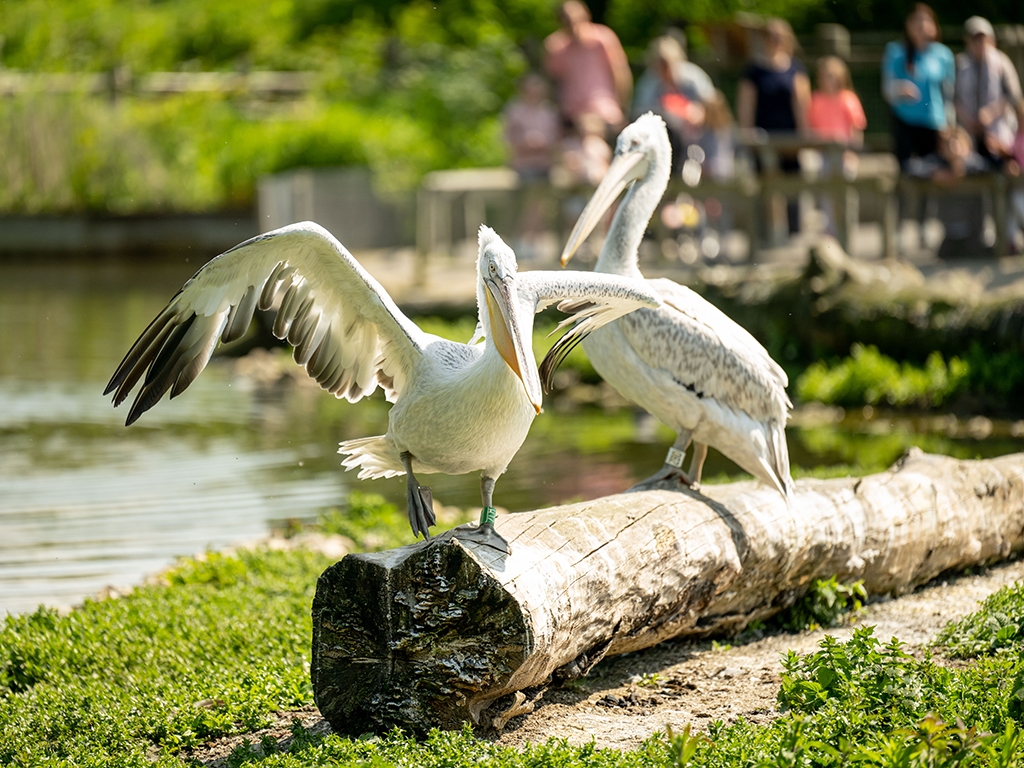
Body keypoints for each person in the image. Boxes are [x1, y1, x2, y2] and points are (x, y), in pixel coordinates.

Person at [736, 18, 811, 236]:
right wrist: (747, 134)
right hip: (763, 137)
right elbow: (746, 106)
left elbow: (802, 104)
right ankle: (765, 235)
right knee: (764, 186)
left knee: (793, 185)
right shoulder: (754, 71)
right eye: (771, 37)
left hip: (790, 137)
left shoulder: (796, 68)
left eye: (779, 37)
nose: (775, 41)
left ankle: (794, 234)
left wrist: (805, 137)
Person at [881, 4, 955, 172]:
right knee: (907, 171)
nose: (921, 25)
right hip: (905, 121)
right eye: (916, 20)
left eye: (925, 20)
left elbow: (948, 95)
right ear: (908, 25)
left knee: (935, 171)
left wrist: (949, 123)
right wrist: (898, 89)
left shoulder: (943, 56)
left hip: (935, 123)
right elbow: (887, 88)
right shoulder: (895, 52)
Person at [544, 0, 632, 137]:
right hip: (571, 112)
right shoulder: (556, 46)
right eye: (567, 21)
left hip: (604, 110)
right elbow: (552, 81)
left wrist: (623, 107)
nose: (573, 26)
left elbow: (620, 73)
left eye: (576, 20)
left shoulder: (603, 38)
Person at [503, 72, 562, 262]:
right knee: (528, 202)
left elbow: (557, 138)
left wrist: (543, 143)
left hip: (545, 164)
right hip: (523, 165)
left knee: (542, 205)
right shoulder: (515, 111)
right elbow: (507, 139)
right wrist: (525, 142)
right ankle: (521, 241)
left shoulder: (549, 112)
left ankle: (533, 242)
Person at [632, 35, 713, 173]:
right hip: (666, 138)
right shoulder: (649, 84)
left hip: (699, 134)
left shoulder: (693, 78)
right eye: (660, 65)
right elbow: (640, 113)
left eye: (667, 64)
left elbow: (713, 105)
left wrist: (699, 112)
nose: (665, 70)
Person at [954, 16, 1022, 167]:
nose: (979, 43)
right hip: (968, 128)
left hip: (997, 128)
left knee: (1001, 163)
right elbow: (953, 98)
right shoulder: (960, 63)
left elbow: (1014, 96)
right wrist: (967, 119)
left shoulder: (1001, 63)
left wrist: (990, 114)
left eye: (982, 38)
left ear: (991, 40)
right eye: (974, 39)